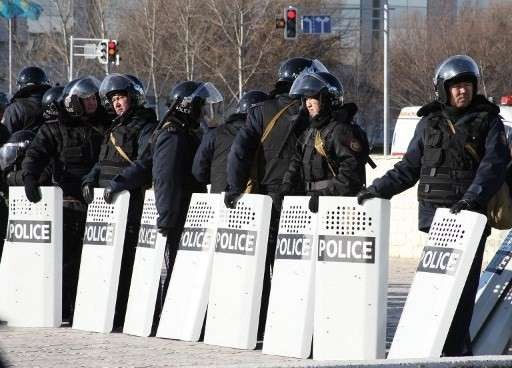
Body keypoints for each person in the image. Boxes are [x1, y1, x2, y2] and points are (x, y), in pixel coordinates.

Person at [357, 55, 510, 356]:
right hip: (435, 219)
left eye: (467, 85)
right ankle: (436, 346)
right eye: (455, 86)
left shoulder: (488, 120)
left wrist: (472, 199)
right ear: (443, 89)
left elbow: (493, 166)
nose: (462, 91)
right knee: (437, 288)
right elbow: (409, 168)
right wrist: (376, 190)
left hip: (470, 218)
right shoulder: (429, 122)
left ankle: (456, 350)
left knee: (462, 291)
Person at [225, 57, 328, 339]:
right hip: (304, 196)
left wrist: (235, 188)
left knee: (265, 263)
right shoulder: (312, 108)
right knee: (298, 264)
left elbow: (239, 151)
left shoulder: (260, 111)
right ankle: (295, 325)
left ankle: (262, 324)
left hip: (265, 197)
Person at [103, 81, 219, 327]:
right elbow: (163, 176)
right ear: (188, 106)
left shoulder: (183, 129)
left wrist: (120, 181)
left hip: (185, 208)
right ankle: (173, 318)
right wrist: (166, 216)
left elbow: (144, 163)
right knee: (179, 268)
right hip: (179, 211)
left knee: (185, 266)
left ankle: (176, 317)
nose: (203, 110)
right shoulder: (173, 133)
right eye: (200, 105)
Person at [21, 78, 109, 321]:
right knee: (68, 261)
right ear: (74, 103)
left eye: (94, 98)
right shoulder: (54, 127)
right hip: (69, 204)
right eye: (87, 99)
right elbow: (36, 153)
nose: (93, 103)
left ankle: (90, 309)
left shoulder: (104, 124)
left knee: (95, 263)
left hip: (100, 204)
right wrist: (29, 176)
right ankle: (66, 309)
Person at [82, 73, 157, 328]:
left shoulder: (146, 124)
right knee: (103, 262)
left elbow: (145, 161)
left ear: (133, 97)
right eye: (113, 99)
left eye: (120, 97)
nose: (116, 103)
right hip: (105, 206)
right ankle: (105, 309)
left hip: (129, 203)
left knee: (126, 261)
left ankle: (123, 313)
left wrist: (120, 183)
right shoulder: (115, 125)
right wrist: (89, 179)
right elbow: (103, 160)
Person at [281, 70, 369, 212]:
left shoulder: (340, 130)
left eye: (313, 98)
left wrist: (325, 195)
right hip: (310, 203)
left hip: (337, 206)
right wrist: (286, 186)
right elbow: (296, 161)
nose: (308, 104)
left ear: (327, 99)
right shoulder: (312, 130)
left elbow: (351, 171)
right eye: (306, 99)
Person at [192, 90, 268, 193]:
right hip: (254, 200)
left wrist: (217, 179)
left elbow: (198, 171)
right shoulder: (263, 136)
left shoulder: (214, 134)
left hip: (217, 200)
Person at [1, 66, 51, 134]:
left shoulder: (14, 109)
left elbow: (4, 135)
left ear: (21, 86)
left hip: (25, 144)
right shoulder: (54, 104)